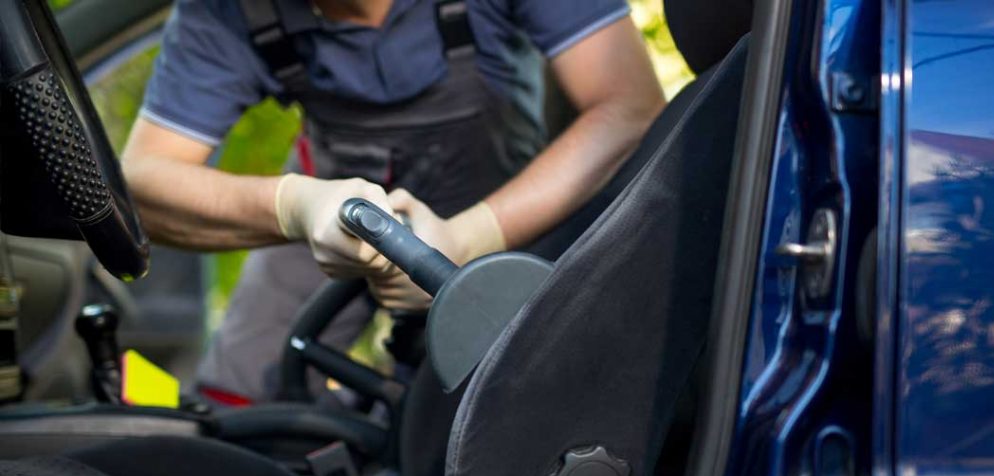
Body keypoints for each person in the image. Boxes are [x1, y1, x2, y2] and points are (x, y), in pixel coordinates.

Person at [122, 0, 665, 403]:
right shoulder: (225, 12)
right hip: (329, 207)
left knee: (514, 402)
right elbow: (143, 183)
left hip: (506, 207)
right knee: (233, 402)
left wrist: (469, 239)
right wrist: (297, 208)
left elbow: (629, 107)